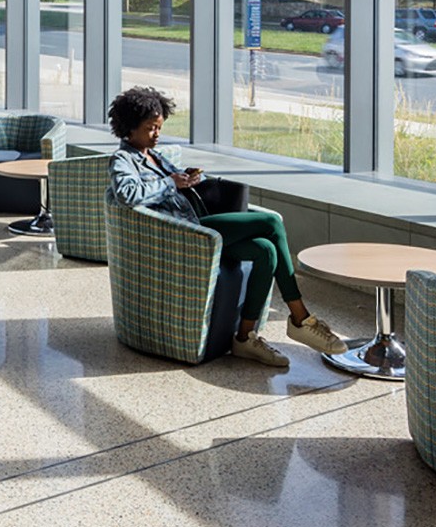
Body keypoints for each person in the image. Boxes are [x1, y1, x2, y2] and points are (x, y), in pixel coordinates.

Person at [106, 86, 347, 369]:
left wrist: (186, 179)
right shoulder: (122, 160)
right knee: (270, 222)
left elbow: (170, 184)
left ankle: (244, 338)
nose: (156, 134)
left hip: (198, 227)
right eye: (150, 128)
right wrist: (172, 183)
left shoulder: (155, 155)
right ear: (129, 128)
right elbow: (126, 194)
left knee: (265, 250)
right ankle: (301, 318)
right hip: (185, 234)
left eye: (159, 127)